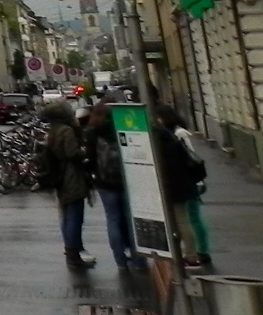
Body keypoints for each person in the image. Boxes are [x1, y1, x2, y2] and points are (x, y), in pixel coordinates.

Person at [87, 105, 146, 270]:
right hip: (128, 181)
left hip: (105, 183)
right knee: (131, 219)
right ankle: (139, 259)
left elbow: (90, 160)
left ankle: (120, 260)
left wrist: (94, 176)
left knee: (113, 219)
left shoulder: (92, 132)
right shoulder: (123, 127)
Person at [41, 98, 96, 271]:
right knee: (75, 217)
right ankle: (74, 255)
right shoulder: (66, 130)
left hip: (60, 178)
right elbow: (72, 153)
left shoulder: (53, 131)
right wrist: (85, 151)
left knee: (66, 216)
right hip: (72, 178)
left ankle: (71, 252)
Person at [156, 104, 212, 268]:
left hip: (187, 183)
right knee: (187, 220)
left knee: (191, 219)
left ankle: (200, 253)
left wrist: (198, 182)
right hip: (186, 183)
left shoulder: (178, 135)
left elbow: (191, 157)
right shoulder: (170, 136)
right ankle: (194, 253)